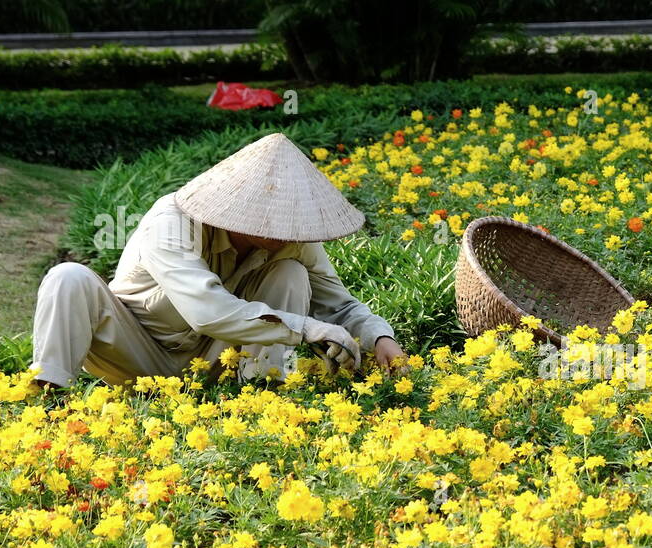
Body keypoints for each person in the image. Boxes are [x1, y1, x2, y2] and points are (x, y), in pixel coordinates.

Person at [28, 132, 406, 398]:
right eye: (276, 219)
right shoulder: (172, 220)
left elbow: (338, 304)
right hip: (138, 353)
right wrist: (307, 328)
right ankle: (47, 399)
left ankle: (261, 394)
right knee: (68, 276)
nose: (287, 231)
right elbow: (206, 311)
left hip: (214, 359)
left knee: (289, 272)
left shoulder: (293, 239)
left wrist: (380, 338)